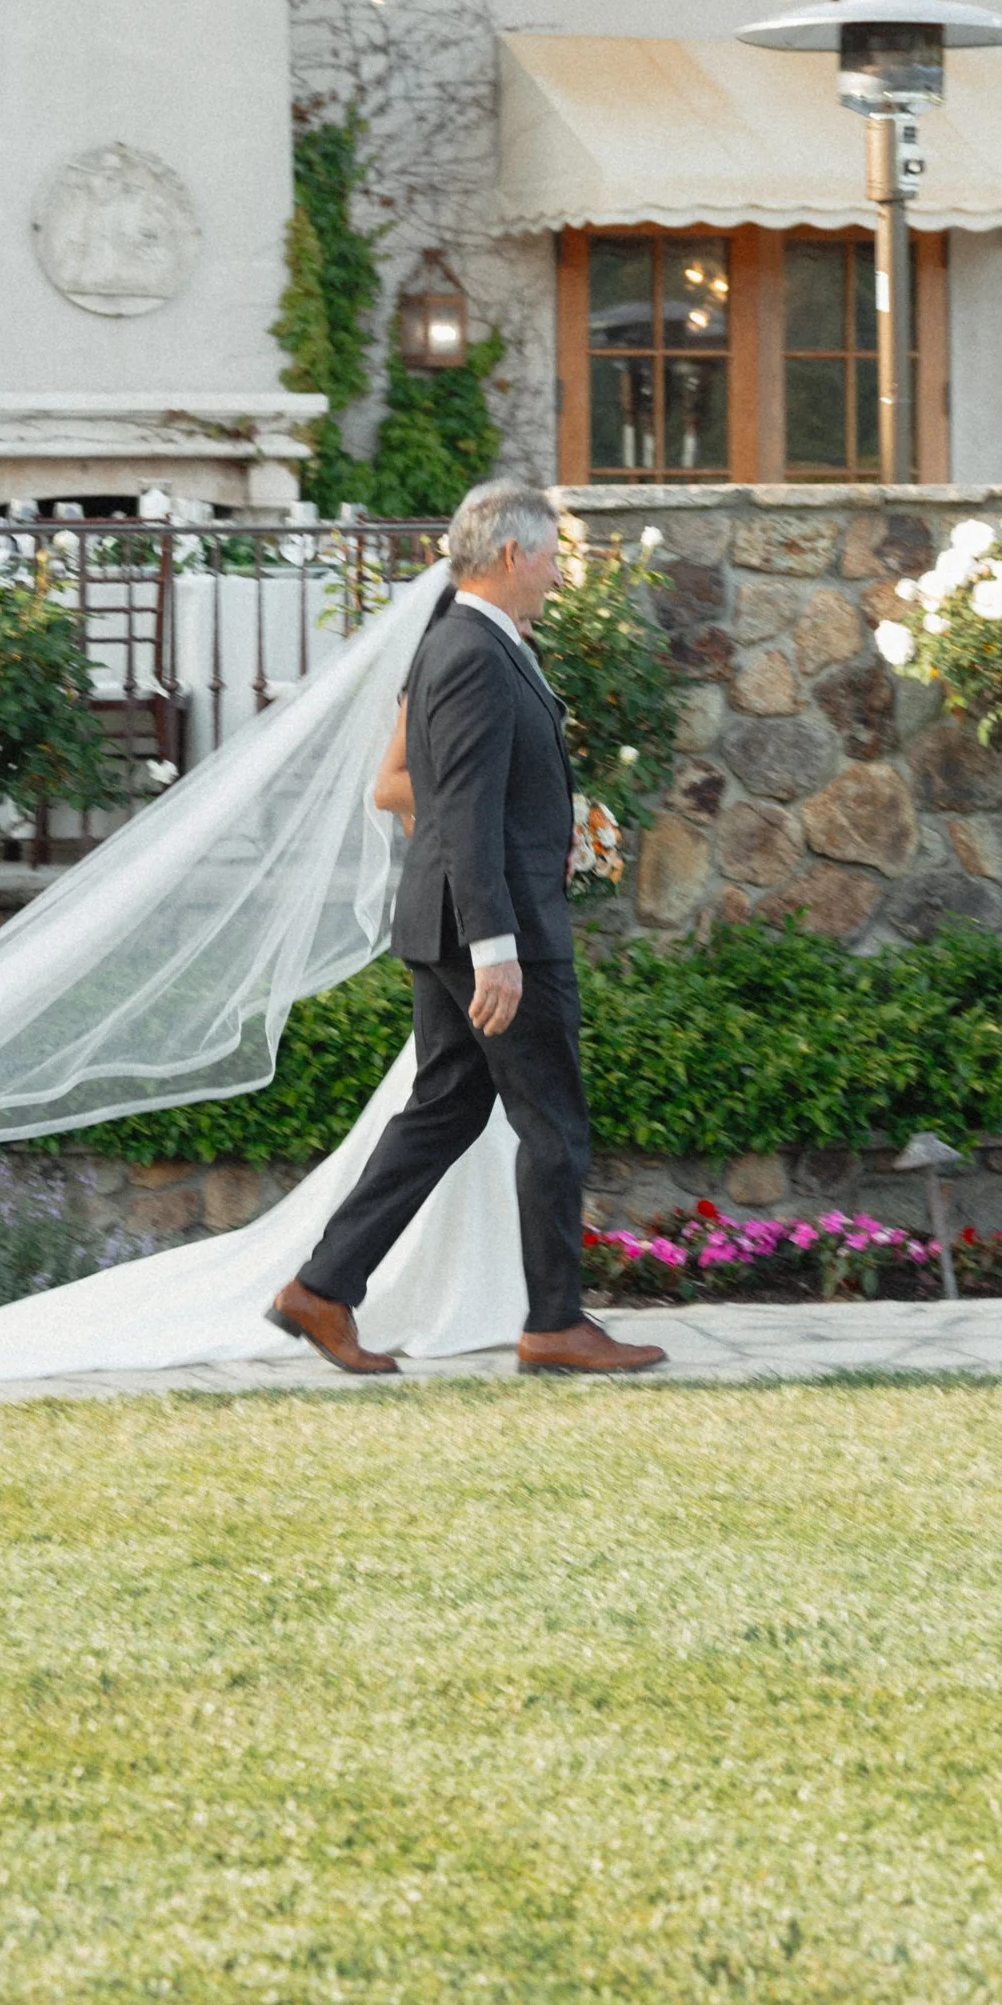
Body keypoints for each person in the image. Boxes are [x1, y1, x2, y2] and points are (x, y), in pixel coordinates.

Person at [267, 479, 666, 1380]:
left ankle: (324, 1290)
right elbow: (465, 808)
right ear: (516, 555)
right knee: (555, 1124)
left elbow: (473, 798)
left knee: (444, 1110)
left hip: (451, 920)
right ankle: (555, 1324)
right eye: (553, 555)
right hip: (490, 929)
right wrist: (498, 949)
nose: (560, 572)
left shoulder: (473, 642)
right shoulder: (473, 652)